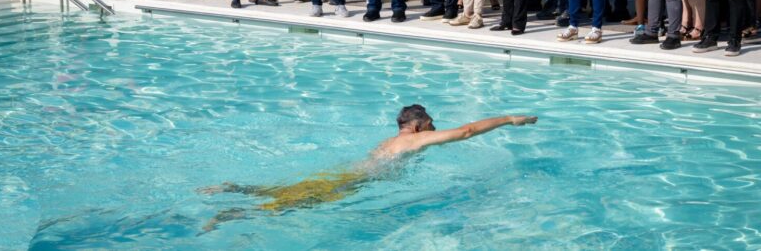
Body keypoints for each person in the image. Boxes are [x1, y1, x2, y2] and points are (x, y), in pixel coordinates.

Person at [199, 105, 537, 225]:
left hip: (345, 174)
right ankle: (232, 213)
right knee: (290, 205)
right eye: (432, 123)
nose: (436, 129)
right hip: (347, 183)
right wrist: (509, 119)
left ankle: (231, 189)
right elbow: (466, 132)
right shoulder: (413, 139)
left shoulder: (388, 142)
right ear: (417, 126)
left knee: (290, 193)